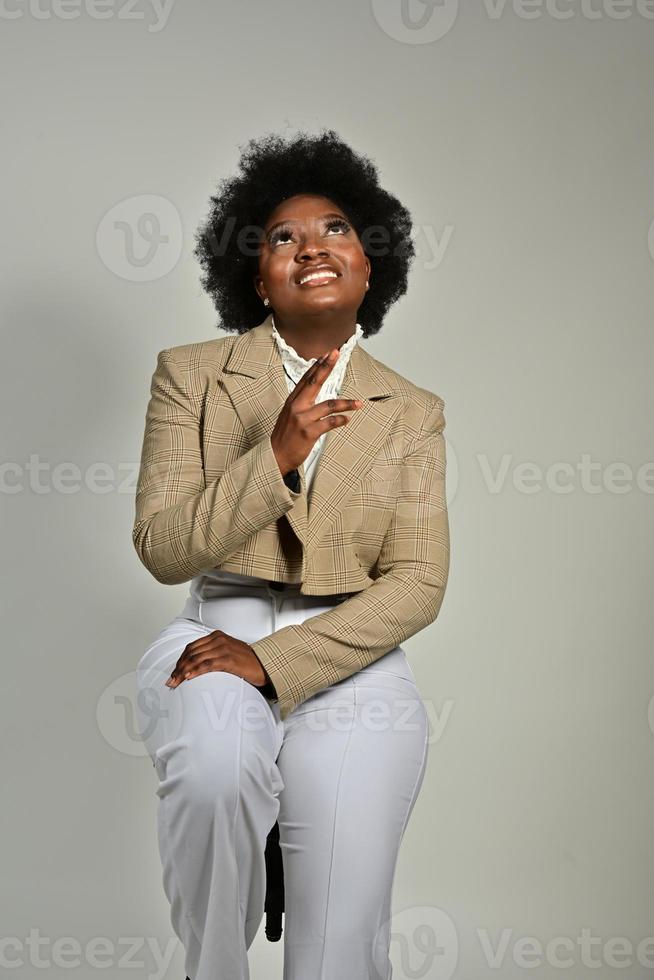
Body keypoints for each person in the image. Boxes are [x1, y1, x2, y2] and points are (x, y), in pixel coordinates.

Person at [133, 128, 450, 980]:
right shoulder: (191, 375)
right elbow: (163, 547)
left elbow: (418, 582)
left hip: (353, 652)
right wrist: (271, 454)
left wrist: (273, 663)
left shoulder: (412, 410)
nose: (311, 246)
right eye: (283, 237)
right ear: (257, 276)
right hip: (213, 628)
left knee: (338, 940)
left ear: (371, 264)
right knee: (211, 772)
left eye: (335, 229)